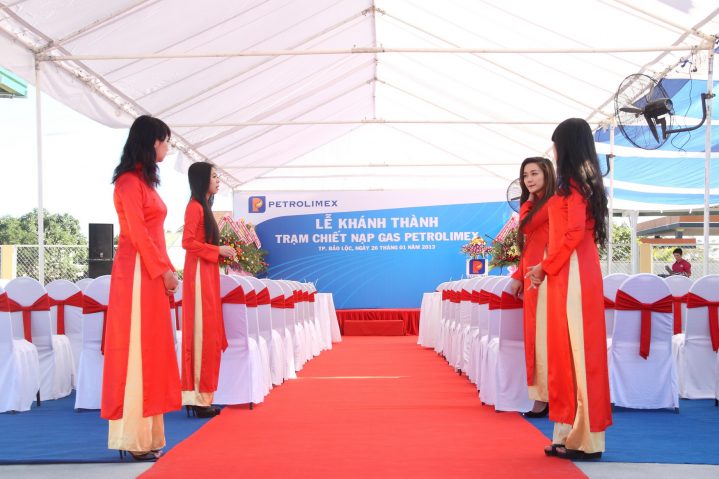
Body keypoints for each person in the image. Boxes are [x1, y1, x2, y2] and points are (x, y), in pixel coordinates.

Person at [526, 118, 612, 461]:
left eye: (556, 144)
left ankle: (586, 439)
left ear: (567, 146)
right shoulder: (578, 183)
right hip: (568, 270)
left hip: (573, 272)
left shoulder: (575, 185)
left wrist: (544, 267)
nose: (553, 151)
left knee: (579, 354)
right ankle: (567, 432)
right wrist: (546, 268)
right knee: (565, 354)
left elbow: (574, 233)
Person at [101, 115, 181, 461]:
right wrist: (163, 271)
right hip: (136, 274)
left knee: (151, 351)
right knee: (137, 352)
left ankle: (148, 435)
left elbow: (155, 235)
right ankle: (133, 437)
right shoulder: (128, 183)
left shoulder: (144, 183)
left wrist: (167, 271)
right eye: (166, 141)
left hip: (149, 272)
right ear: (152, 142)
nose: (168, 147)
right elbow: (136, 232)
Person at [181, 162, 235, 418]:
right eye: (214, 176)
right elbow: (188, 242)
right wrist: (217, 250)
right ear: (202, 179)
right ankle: (197, 397)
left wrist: (220, 253)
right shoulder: (195, 207)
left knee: (208, 333)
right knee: (202, 334)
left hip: (207, 272)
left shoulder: (203, 206)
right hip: (199, 276)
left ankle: (200, 396)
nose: (218, 180)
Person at [508, 157, 556, 418]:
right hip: (532, 277)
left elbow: (527, 225)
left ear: (548, 174)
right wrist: (518, 274)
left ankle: (546, 397)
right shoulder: (535, 204)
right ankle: (541, 395)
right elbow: (530, 246)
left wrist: (526, 201)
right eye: (525, 175)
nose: (529, 179)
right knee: (534, 337)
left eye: (534, 173)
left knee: (544, 339)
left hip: (547, 276)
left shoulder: (550, 203)